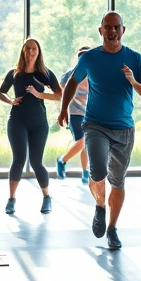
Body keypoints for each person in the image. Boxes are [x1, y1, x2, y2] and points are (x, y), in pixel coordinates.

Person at [58, 12, 141, 250]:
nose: (112, 31)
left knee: (118, 181)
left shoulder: (134, 58)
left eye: (116, 27)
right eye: (107, 27)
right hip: (95, 125)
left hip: (124, 128)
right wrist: (63, 110)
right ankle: (100, 206)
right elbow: (72, 82)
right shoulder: (90, 58)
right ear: (100, 31)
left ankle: (112, 229)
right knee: (98, 170)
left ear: (123, 30)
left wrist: (133, 81)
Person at [0, 38, 62, 215]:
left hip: (39, 123)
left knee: (36, 162)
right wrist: (11, 100)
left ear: (38, 51)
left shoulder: (45, 73)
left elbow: (59, 95)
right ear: (23, 51)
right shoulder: (14, 73)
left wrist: (39, 94)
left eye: (34, 49)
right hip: (17, 120)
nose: (30, 52)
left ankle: (46, 197)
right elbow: (0, 92)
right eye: (27, 49)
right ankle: (11, 199)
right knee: (18, 159)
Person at [56, 45, 92, 186]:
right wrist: (64, 107)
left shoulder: (93, 73)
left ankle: (85, 172)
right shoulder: (71, 73)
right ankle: (62, 160)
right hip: (75, 113)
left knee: (85, 145)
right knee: (82, 141)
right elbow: (61, 86)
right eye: (80, 55)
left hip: (89, 113)